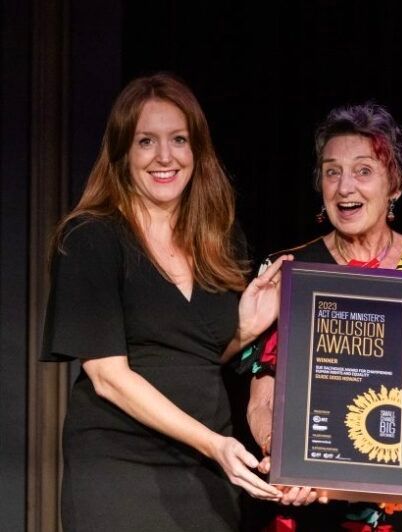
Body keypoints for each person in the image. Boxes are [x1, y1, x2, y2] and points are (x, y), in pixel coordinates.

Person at [40, 73, 288, 531]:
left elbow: (192, 355)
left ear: (197, 150)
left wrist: (247, 329)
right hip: (119, 465)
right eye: (145, 142)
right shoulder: (91, 238)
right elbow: (109, 378)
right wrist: (212, 443)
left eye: (178, 139)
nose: (165, 157)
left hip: (205, 469)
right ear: (122, 153)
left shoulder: (218, 237)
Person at [240, 102, 402, 531]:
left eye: (363, 170)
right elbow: (263, 392)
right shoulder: (286, 272)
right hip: (311, 509)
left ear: (396, 184)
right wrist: (284, 451)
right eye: (332, 171)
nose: (345, 186)